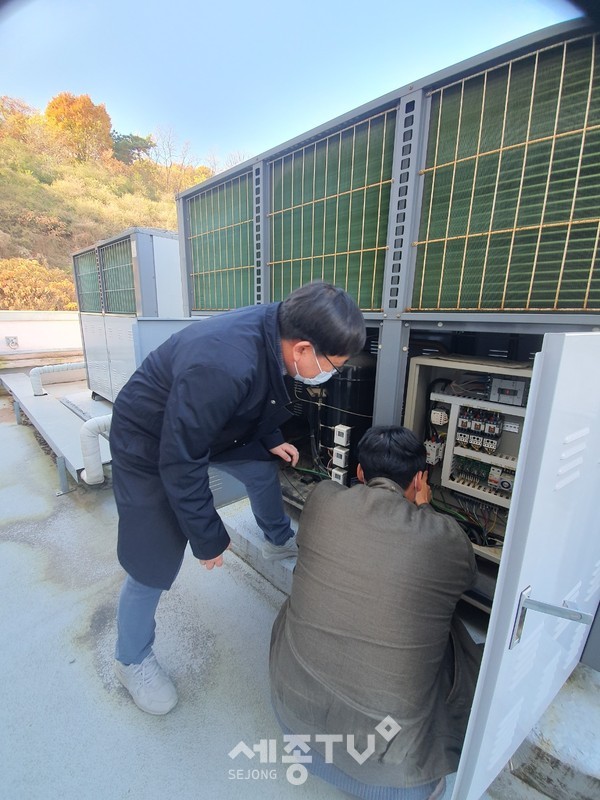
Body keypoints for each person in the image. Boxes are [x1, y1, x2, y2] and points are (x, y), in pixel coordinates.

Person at [110, 281, 366, 715]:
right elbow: (181, 457)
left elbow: (257, 393)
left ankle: (277, 538)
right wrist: (207, 537)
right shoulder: (223, 362)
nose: (331, 374)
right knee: (152, 557)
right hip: (150, 440)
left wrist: (268, 436)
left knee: (260, 467)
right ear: (303, 349)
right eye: (332, 366)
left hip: (204, 428)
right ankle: (131, 659)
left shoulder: (274, 330)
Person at [270, 426, 481, 800]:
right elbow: (466, 577)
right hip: (394, 777)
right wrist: (425, 507)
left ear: (360, 472)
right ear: (420, 480)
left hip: (292, 722)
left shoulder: (322, 498)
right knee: (454, 637)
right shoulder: (446, 538)